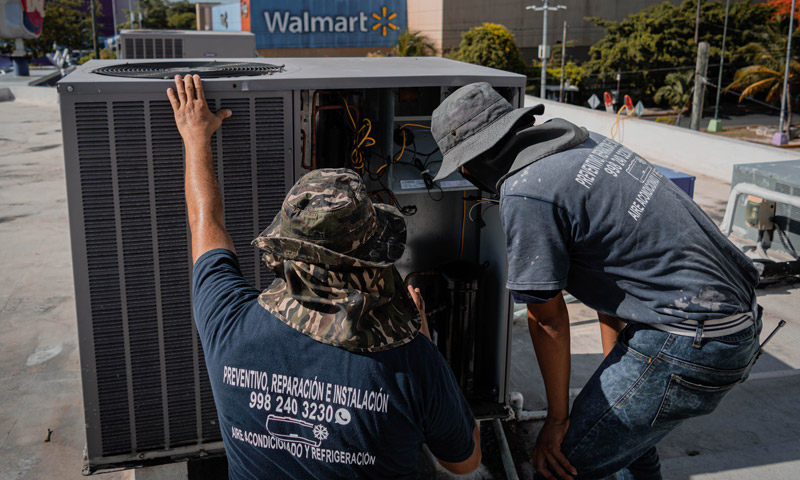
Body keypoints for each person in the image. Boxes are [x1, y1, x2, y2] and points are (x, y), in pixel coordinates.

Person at [430, 82, 762, 480]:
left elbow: (547, 320)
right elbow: (616, 272)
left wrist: (557, 422)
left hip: (688, 340)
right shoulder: (587, 146)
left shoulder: (527, 193)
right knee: (629, 448)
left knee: (560, 466)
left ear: (473, 162)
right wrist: (615, 375)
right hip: (731, 324)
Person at [167, 74, 481, 479]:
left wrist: (195, 137)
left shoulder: (229, 324)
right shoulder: (412, 362)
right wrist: (420, 336)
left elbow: (205, 223)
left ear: (287, 246)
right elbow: (465, 461)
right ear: (371, 258)